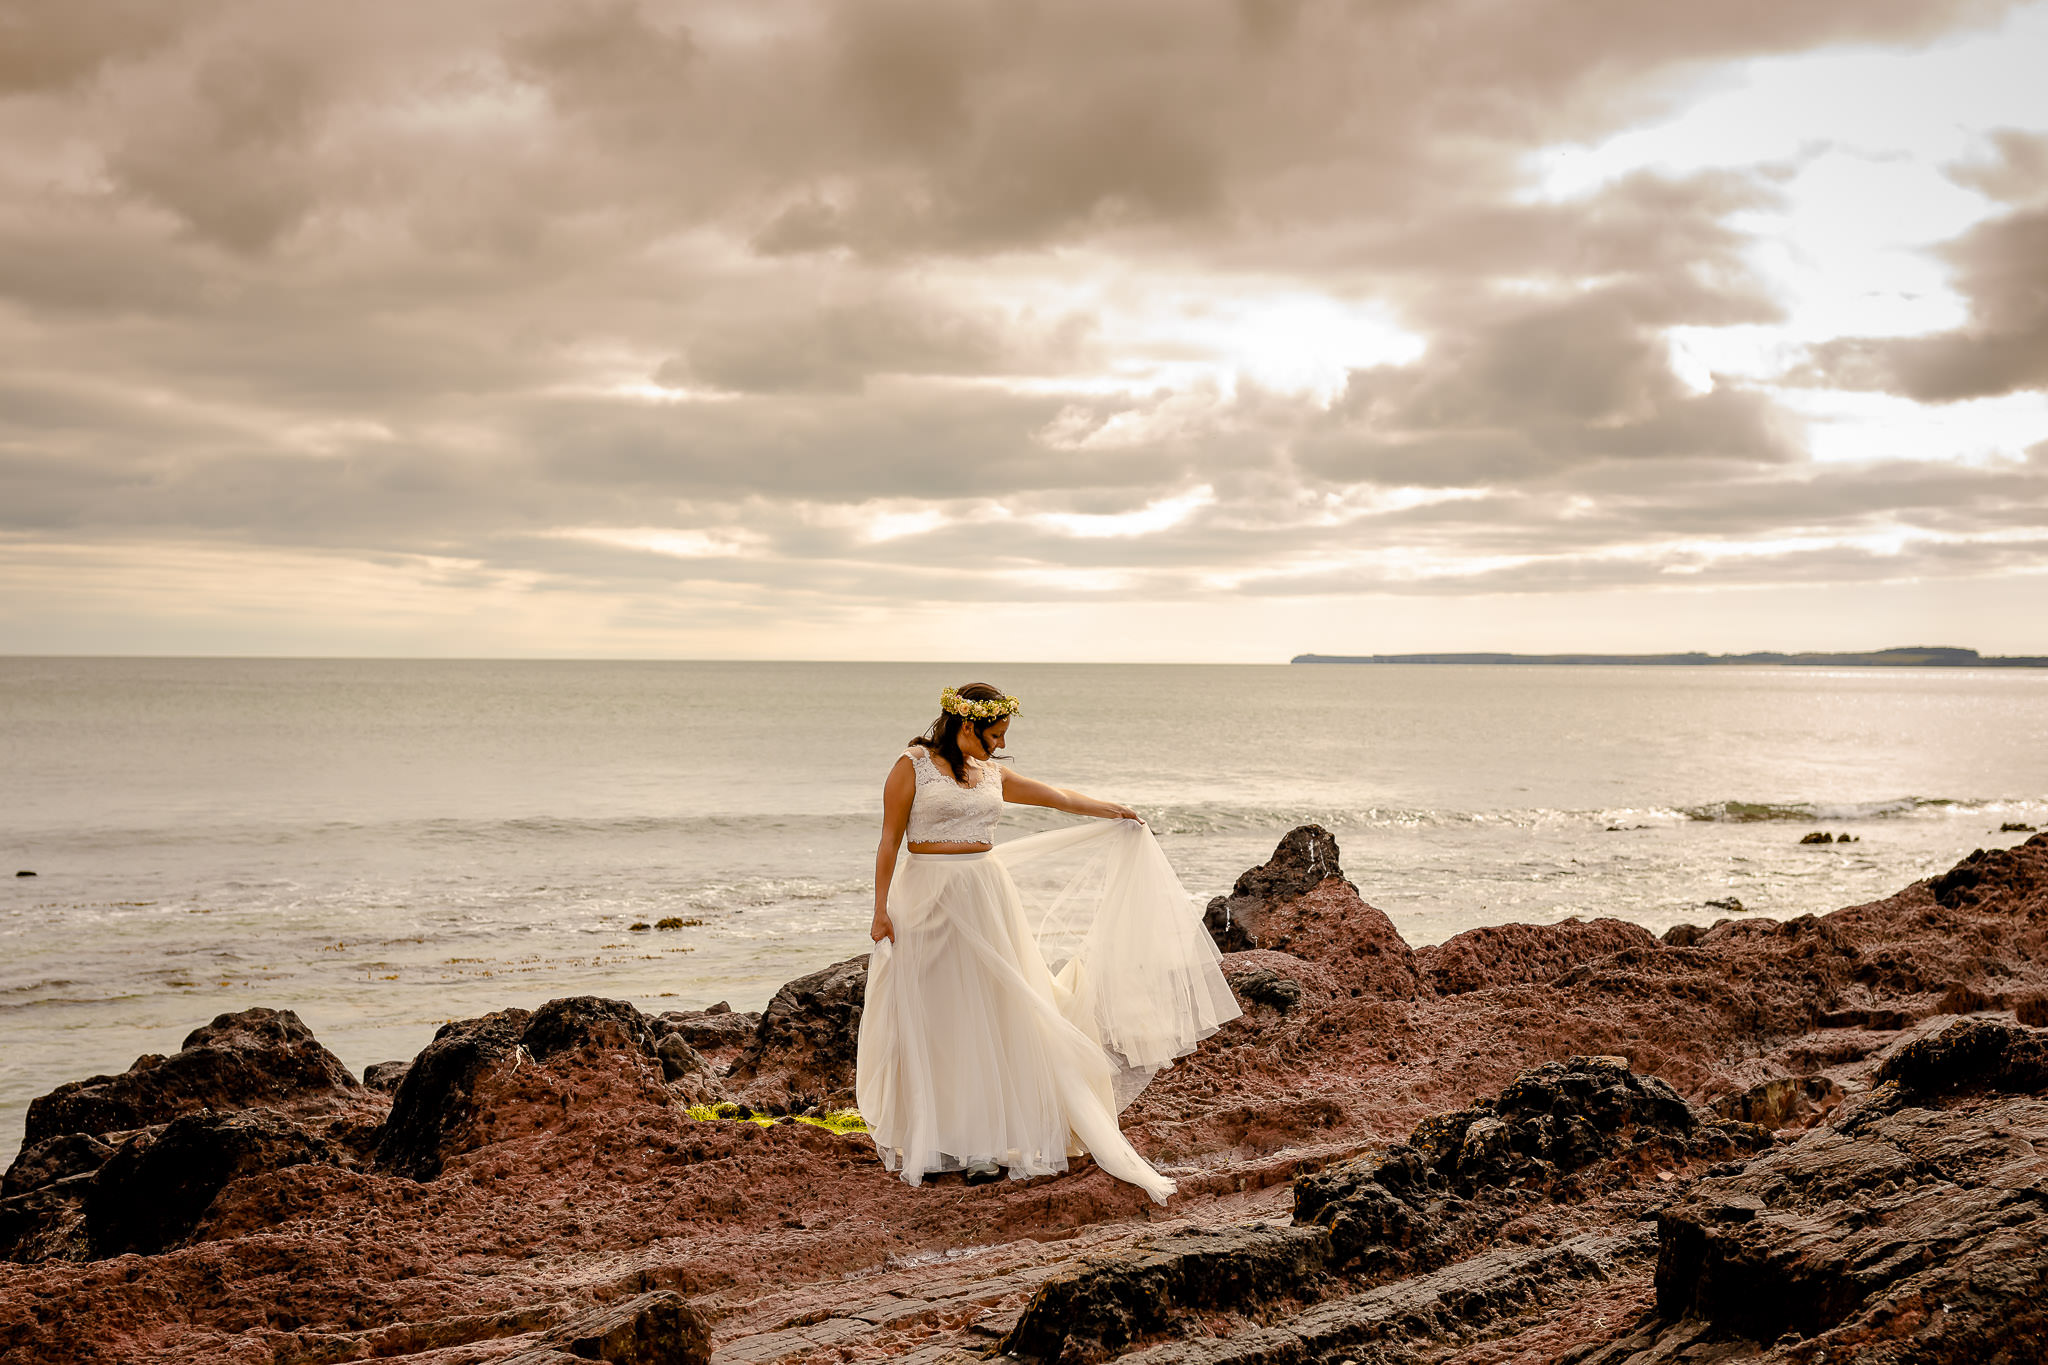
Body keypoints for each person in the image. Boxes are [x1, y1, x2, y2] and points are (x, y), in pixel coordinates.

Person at [854, 682, 1240, 1203]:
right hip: (925, 899)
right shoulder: (912, 765)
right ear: (965, 726)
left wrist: (1111, 810)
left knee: (994, 1013)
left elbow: (1056, 797)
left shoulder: (992, 772)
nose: (1000, 745)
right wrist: (879, 910)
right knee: (936, 1016)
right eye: (994, 734)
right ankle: (940, 1140)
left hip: (986, 897)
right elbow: (888, 841)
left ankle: (986, 1144)